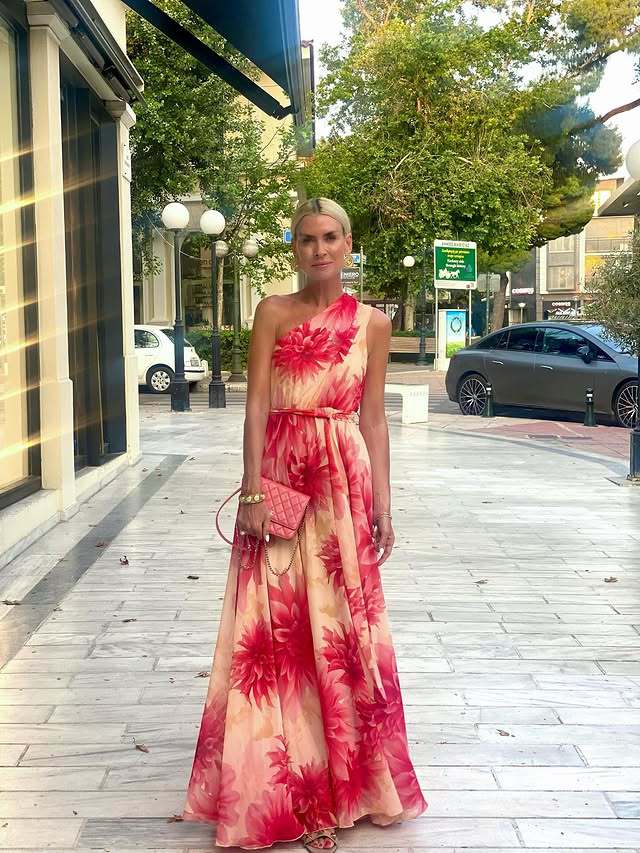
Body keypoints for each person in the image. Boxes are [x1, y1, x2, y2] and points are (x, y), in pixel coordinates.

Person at [182, 198, 427, 850]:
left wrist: (383, 504)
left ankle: (343, 785)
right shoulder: (272, 312)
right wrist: (252, 488)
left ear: (347, 244)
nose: (318, 249)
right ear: (294, 248)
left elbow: (373, 418)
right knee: (275, 633)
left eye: (330, 237)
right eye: (306, 239)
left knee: (341, 630)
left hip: (342, 485)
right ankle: (285, 787)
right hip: (282, 481)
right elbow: (257, 404)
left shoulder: (372, 323)